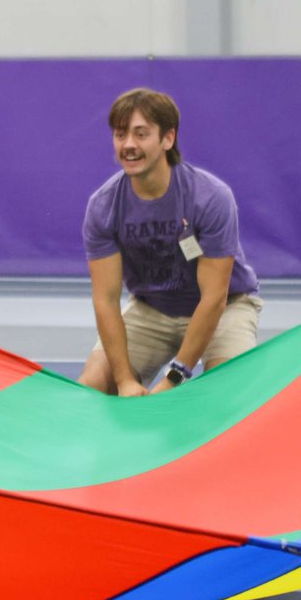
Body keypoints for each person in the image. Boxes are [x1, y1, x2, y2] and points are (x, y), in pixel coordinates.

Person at [79, 88, 261, 396]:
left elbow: (214, 298)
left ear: (168, 139)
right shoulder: (103, 206)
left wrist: (175, 376)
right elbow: (106, 300)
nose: (129, 145)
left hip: (225, 307)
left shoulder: (210, 197)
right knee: (93, 387)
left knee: (226, 395)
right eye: (120, 135)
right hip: (152, 310)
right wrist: (123, 380)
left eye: (141, 134)